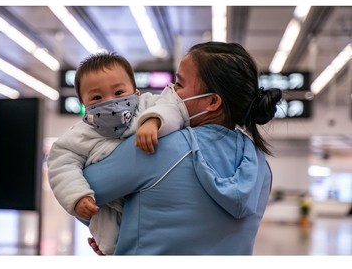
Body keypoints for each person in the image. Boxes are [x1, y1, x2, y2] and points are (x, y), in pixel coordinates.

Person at [83, 41, 283, 255]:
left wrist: (111, 233)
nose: (170, 92)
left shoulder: (159, 147)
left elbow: (79, 189)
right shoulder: (260, 165)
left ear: (212, 102)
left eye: (179, 84)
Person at [47, 52, 186, 255]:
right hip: (111, 217)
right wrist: (77, 197)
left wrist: (154, 120)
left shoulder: (148, 106)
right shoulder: (80, 134)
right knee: (112, 245)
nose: (109, 101)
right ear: (84, 105)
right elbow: (61, 164)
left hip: (157, 209)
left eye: (119, 92)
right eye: (96, 97)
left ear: (136, 92)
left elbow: (173, 107)